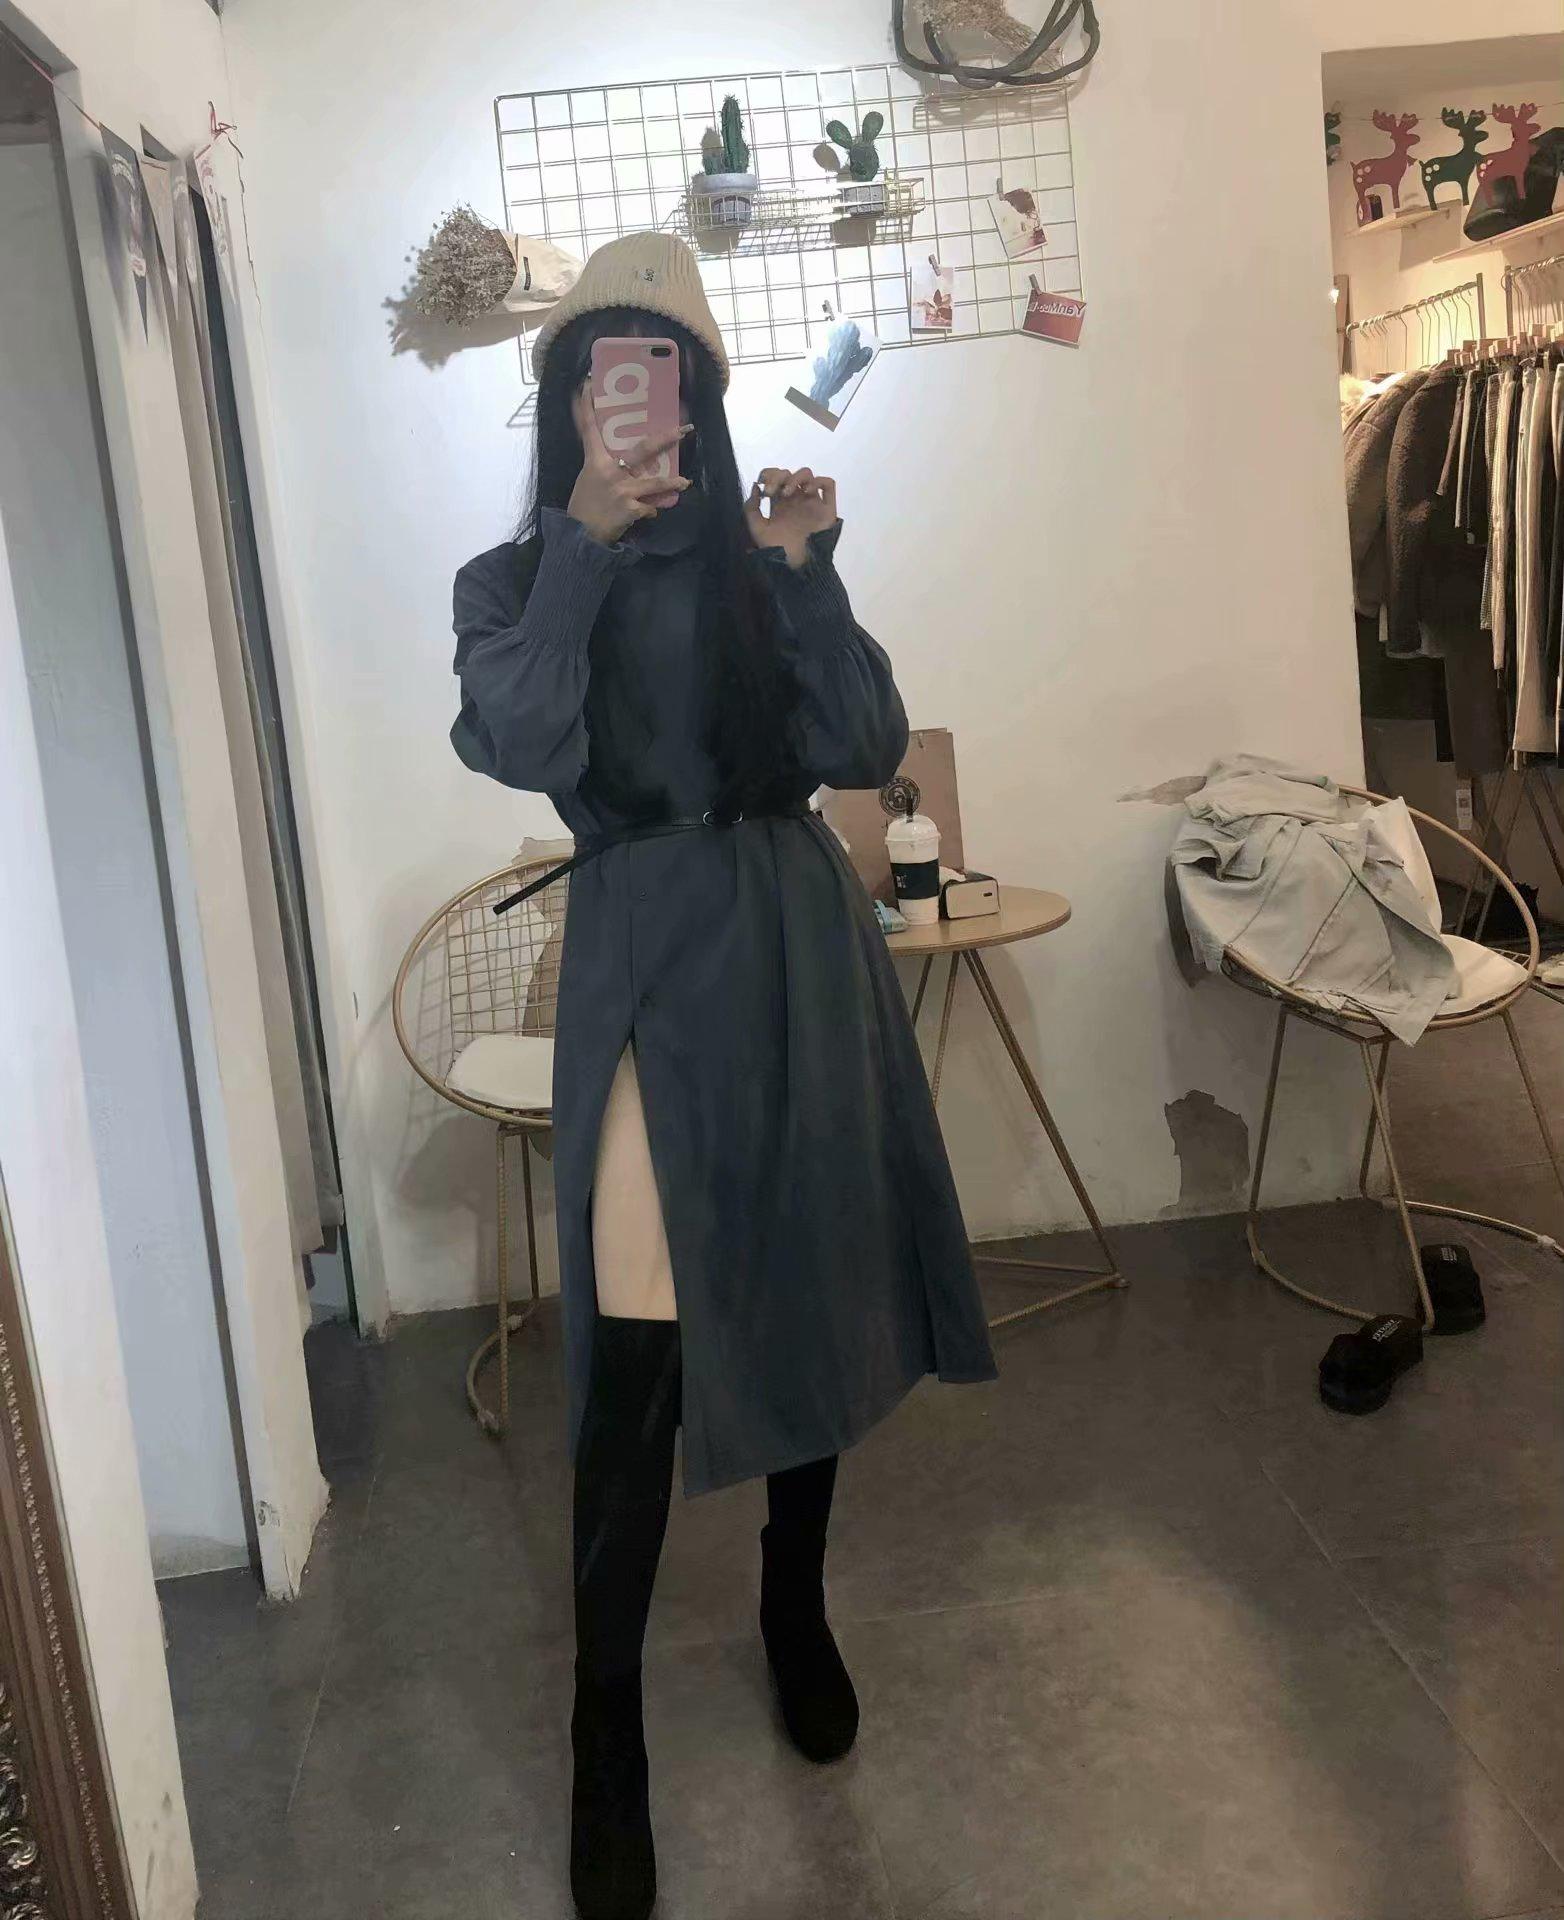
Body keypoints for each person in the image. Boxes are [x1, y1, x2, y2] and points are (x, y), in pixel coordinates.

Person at [450, 234, 995, 1920]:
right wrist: (583, 548)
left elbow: (863, 749)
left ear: (698, 394)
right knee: (637, 1345)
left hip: (793, 940)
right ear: (567, 398)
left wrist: (811, 569)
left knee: (810, 1283)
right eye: (604, 372)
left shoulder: (760, 570)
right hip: (646, 947)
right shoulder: (511, 580)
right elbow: (520, 743)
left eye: (665, 369)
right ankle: (600, 1720)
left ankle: (791, 1599)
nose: (637, 399)